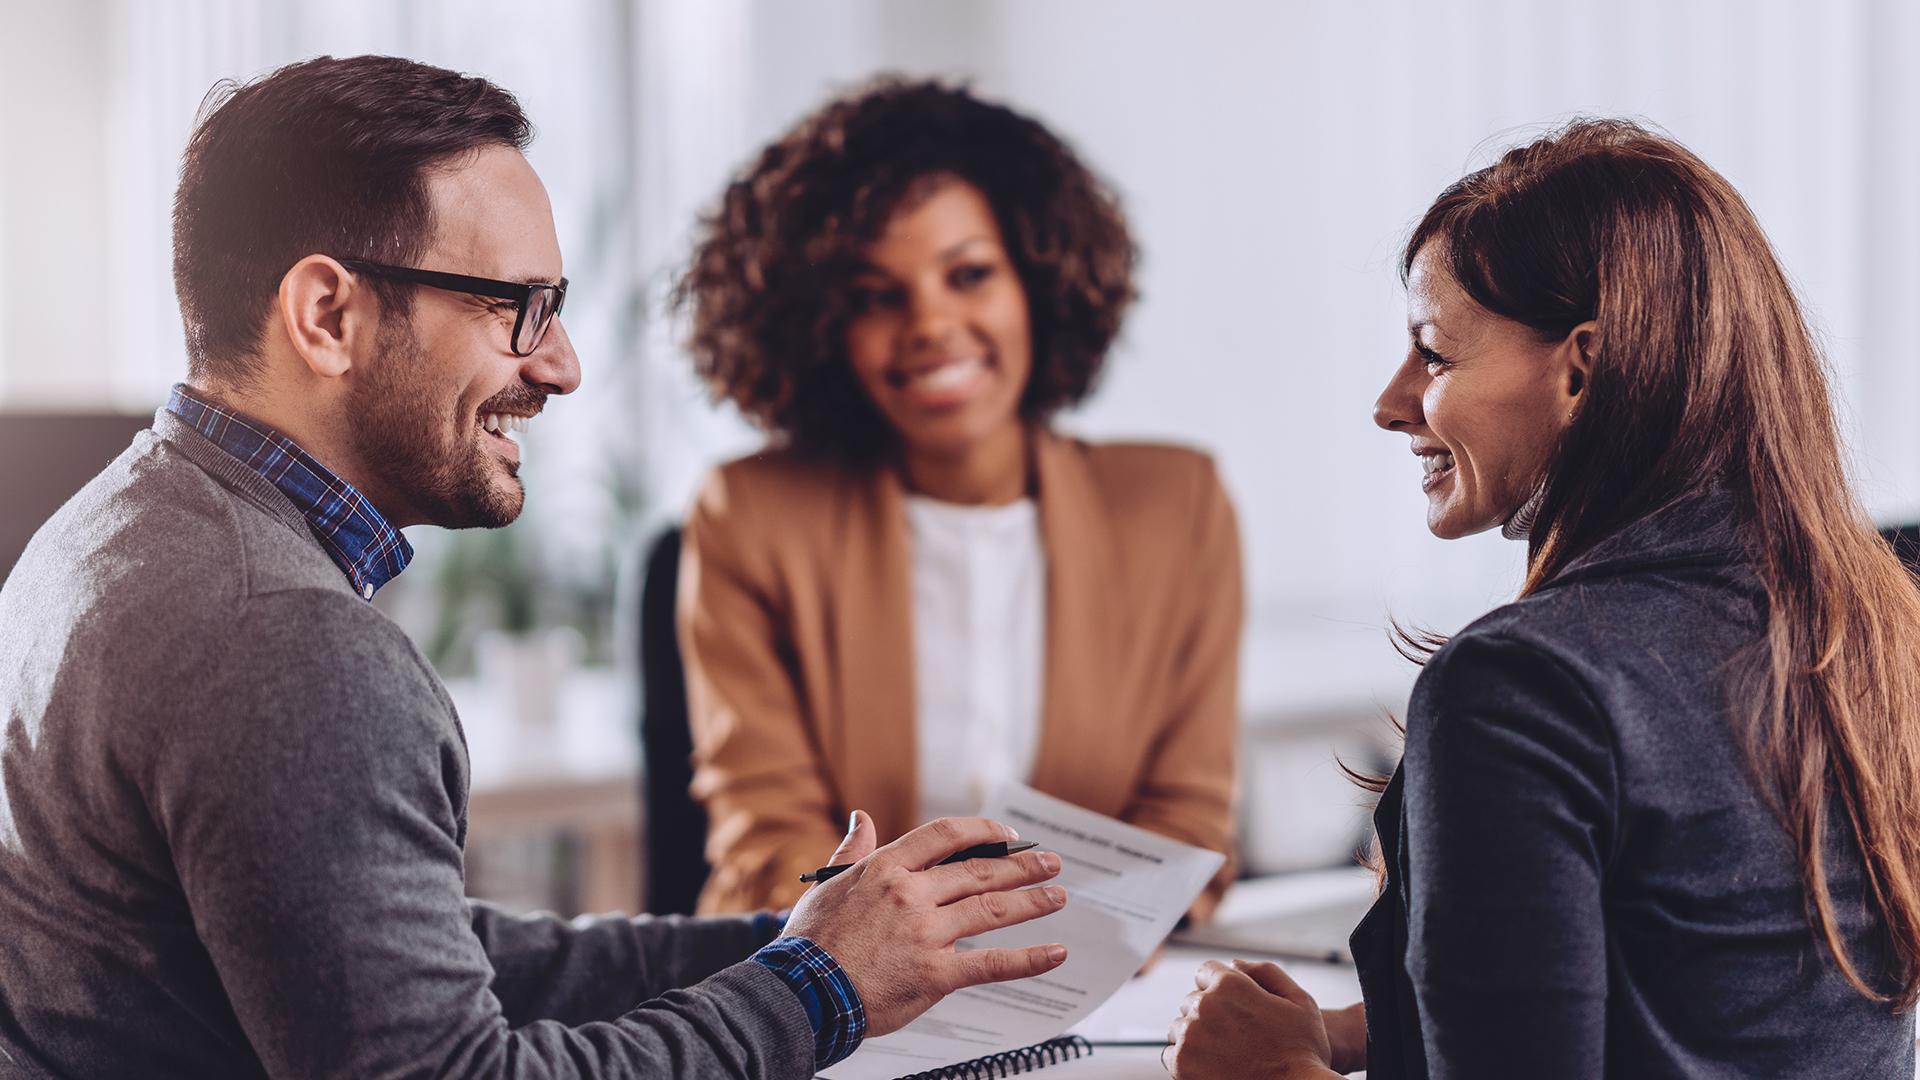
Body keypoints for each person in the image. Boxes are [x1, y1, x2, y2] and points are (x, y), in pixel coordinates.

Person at [0, 55, 1072, 1079]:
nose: (559, 365)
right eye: (517, 307)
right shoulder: (284, 638)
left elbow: (395, 958)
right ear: (328, 315)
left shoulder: (109, 531)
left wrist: (805, 939)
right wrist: (820, 989)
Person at [1165, 120, 1920, 1078]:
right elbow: (1709, 996)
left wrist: (1269, 1072)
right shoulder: (1863, 624)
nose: (1392, 402)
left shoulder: (1520, 685)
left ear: (1583, 366)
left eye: (1434, 355)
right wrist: (1351, 1033)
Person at [673, 77, 1242, 919]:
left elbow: (1185, 820)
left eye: (968, 274)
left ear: (1037, 284)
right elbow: (769, 838)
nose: (930, 325)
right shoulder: (752, 515)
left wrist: (1054, 952)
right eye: (876, 296)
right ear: (825, 326)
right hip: (827, 992)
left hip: (1084, 990)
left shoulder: (1175, 506)